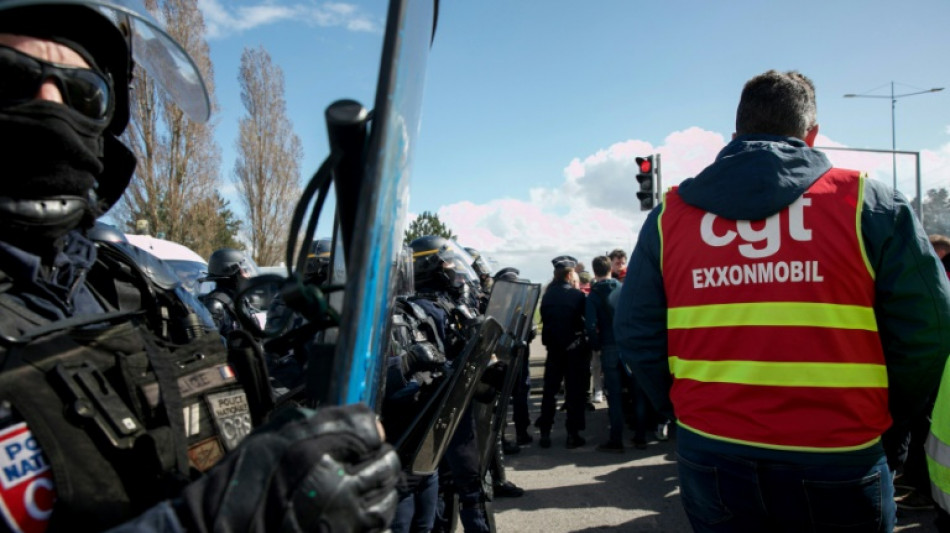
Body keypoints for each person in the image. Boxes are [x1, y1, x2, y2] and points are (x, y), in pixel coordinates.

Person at [0, 2, 400, 531]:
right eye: (10, 77)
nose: (49, 106)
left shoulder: (136, 285)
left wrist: (294, 447)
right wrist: (218, 518)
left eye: (82, 93)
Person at [615, 69, 950, 532]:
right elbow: (928, 329)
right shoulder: (871, 205)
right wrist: (889, 420)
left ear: (735, 136)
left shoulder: (669, 217)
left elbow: (634, 330)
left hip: (712, 446)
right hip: (839, 452)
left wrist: (683, 409)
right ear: (811, 134)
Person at [536, 255, 590, 449]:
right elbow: (585, 321)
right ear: (569, 274)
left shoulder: (548, 295)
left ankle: (544, 432)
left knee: (549, 392)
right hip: (574, 350)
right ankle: (572, 434)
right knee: (573, 392)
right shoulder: (577, 296)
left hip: (553, 350)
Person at [585, 256, 626, 453]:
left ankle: (616, 437)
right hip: (627, 345)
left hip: (608, 346)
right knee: (637, 390)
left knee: (615, 394)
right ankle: (641, 434)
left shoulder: (593, 295)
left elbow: (590, 325)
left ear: (595, 272)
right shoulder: (622, 289)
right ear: (611, 268)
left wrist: (596, 345)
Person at [201, 248, 261, 336]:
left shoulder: (240, 301)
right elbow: (210, 345)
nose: (248, 276)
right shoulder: (215, 305)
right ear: (231, 272)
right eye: (244, 270)